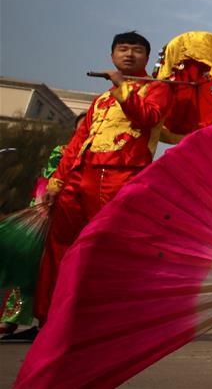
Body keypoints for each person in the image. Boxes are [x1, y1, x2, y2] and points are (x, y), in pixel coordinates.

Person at [34, 32, 171, 322]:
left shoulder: (157, 88)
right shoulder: (100, 100)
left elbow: (147, 117)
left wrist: (123, 88)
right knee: (61, 244)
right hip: (79, 175)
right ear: (112, 56)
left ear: (147, 58)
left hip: (121, 174)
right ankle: (53, 315)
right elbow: (77, 142)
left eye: (136, 51)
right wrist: (56, 183)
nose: (129, 55)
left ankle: (106, 314)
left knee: (108, 244)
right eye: (122, 49)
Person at [1, 114, 87, 341]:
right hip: (46, 215)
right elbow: (49, 181)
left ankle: (47, 323)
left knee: (58, 273)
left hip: (72, 220)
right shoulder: (63, 152)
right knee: (29, 268)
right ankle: (10, 320)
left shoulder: (96, 156)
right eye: (82, 127)